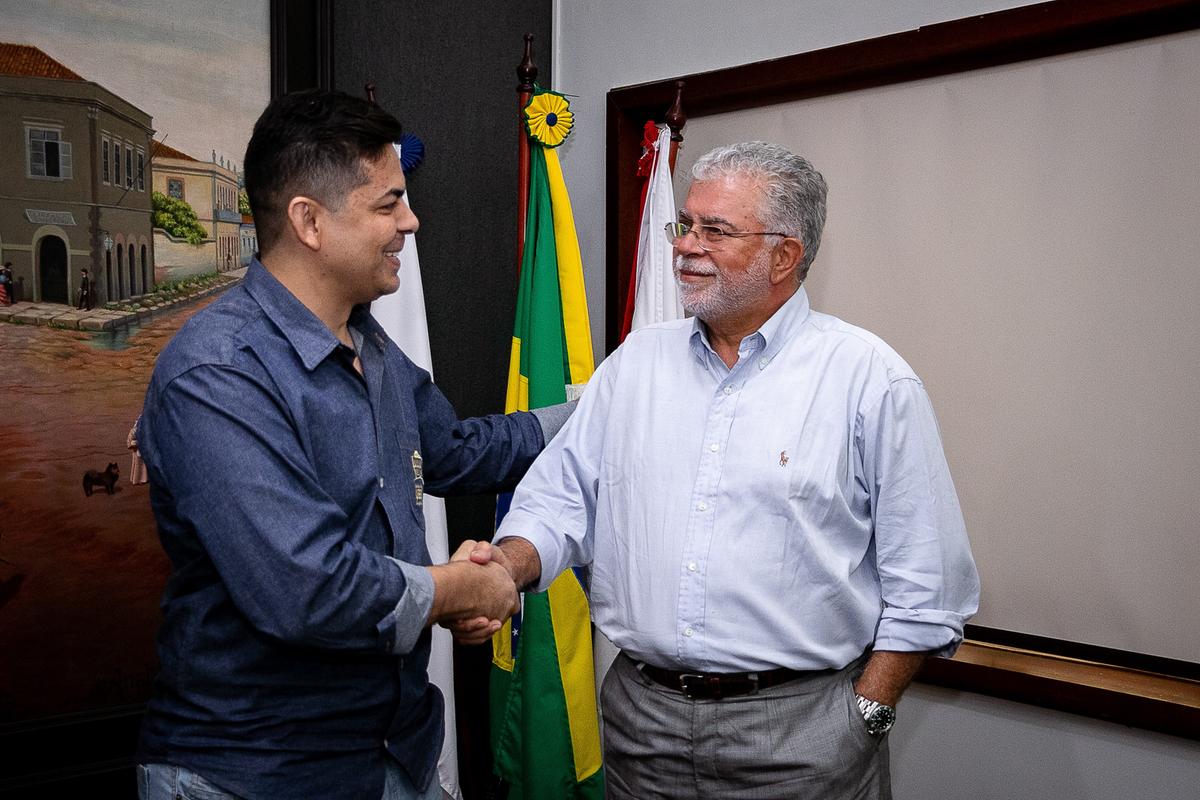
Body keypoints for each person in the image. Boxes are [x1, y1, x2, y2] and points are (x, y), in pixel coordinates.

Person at [477, 142, 980, 799]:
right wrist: (502, 568)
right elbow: (556, 503)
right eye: (685, 224)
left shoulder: (869, 380)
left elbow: (929, 585)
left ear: (785, 255)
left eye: (715, 230)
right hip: (640, 722)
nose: (687, 245)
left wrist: (867, 713)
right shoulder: (635, 364)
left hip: (802, 735)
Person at [135, 90, 567, 800]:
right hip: (257, 774)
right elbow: (309, 589)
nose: (411, 220)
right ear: (309, 220)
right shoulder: (216, 373)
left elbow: (458, 450)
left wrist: (602, 406)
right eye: (388, 204)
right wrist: (464, 586)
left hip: (393, 753)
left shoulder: (367, 341)